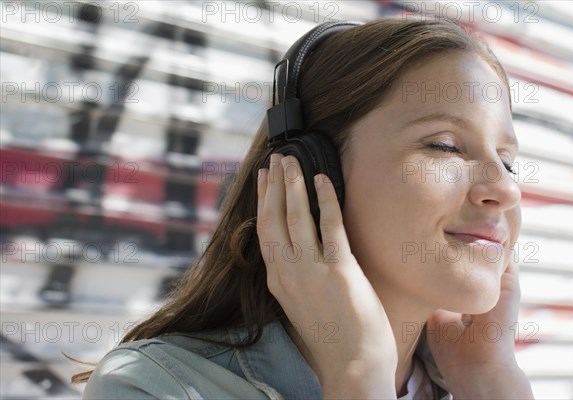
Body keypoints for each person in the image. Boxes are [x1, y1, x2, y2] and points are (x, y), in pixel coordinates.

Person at [77, 17, 534, 399]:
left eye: (508, 161)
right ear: (312, 176)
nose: (505, 190)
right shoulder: (153, 388)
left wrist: (490, 381)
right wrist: (358, 374)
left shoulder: (475, 381)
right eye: (445, 146)